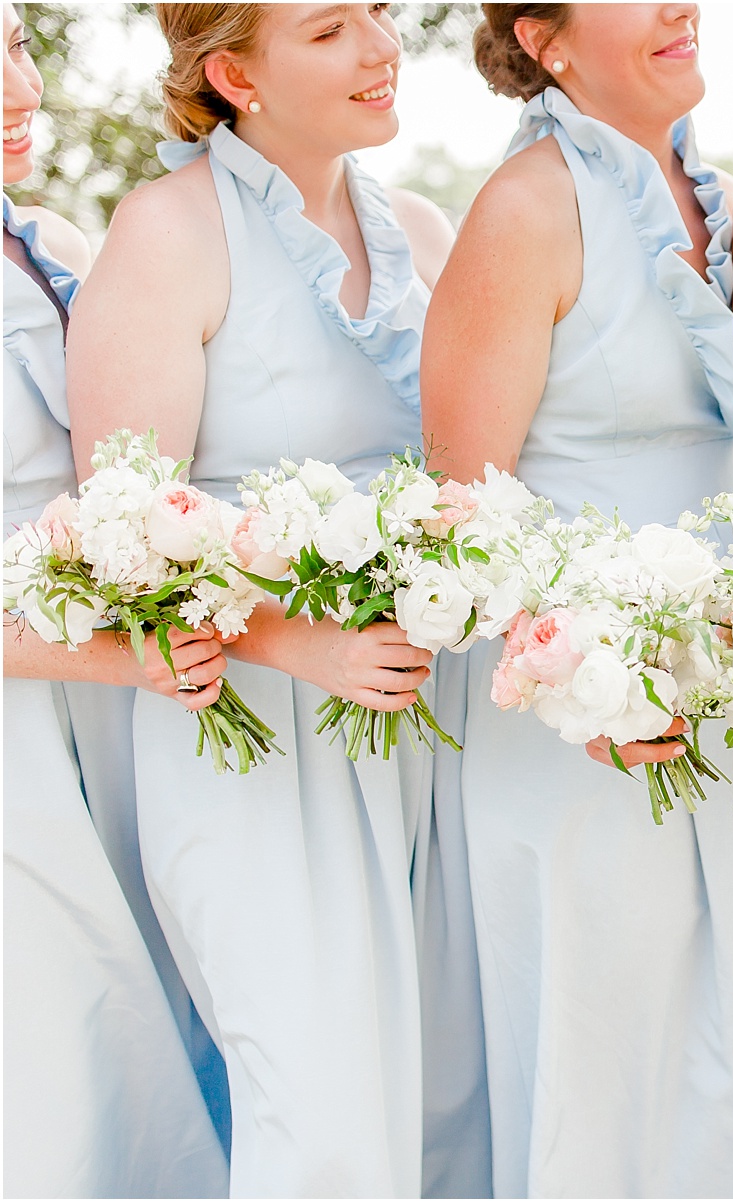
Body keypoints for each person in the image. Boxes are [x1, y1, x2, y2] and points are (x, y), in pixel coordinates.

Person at [63, 4, 478, 1193]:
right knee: (318, 1110)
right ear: (234, 71)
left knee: (427, 1106)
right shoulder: (165, 234)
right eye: (330, 29)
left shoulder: (426, 231)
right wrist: (302, 644)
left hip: (420, 724)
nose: (380, 47)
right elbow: (121, 529)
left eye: (383, 16)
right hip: (246, 728)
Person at [418, 4, 733, 1195]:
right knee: (606, 1064)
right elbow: (460, 508)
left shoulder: (721, 198)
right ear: (548, 38)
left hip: (718, 695)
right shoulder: (528, 209)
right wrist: (592, 673)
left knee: (724, 1065)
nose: (683, 7)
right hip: (571, 714)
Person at [3, 4, 229, 1193]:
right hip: (24, 742)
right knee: (65, 1075)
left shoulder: (53, 245)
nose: (15, 91)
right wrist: (107, 657)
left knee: (177, 1030)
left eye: (20, 46)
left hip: (121, 731)